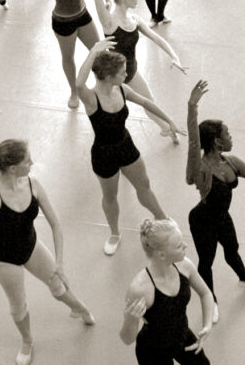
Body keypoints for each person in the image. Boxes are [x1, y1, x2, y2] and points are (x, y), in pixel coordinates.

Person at [0, 108, 95, 365]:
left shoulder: (33, 184)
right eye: (28, 161)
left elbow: (56, 224)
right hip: (5, 260)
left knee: (59, 286)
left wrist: (59, 263)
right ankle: (27, 341)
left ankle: (80, 308)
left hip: (31, 246)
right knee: (18, 306)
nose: (33, 163)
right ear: (14, 168)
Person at [186, 80, 245, 322]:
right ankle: (211, 302)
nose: (231, 136)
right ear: (217, 141)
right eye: (227, 133)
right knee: (206, 262)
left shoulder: (231, 162)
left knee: (232, 250)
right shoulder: (200, 168)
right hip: (202, 221)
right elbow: (193, 142)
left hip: (221, 218)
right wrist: (191, 106)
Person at [76, 41, 179, 256]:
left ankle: (163, 218)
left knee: (145, 185)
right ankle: (114, 233)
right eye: (122, 73)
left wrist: (168, 120)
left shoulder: (121, 89)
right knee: (110, 197)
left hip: (126, 145)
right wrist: (94, 51)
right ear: (109, 76)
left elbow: (145, 102)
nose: (126, 75)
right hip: (104, 155)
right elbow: (78, 84)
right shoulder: (91, 99)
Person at [87, 0, 188, 135]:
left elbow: (157, 38)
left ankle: (166, 128)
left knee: (149, 103)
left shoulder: (135, 19)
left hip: (130, 71)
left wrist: (175, 57)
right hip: (111, 76)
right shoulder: (109, 22)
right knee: (108, 112)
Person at [120, 218, 214, 364]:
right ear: (162, 254)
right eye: (178, 246)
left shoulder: (184, 266)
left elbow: (205, 293)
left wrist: (207, 325)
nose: (186, 246)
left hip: (183, 337)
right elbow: (127, 339)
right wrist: (131, 319)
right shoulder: (140, 289)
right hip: (153, 351)